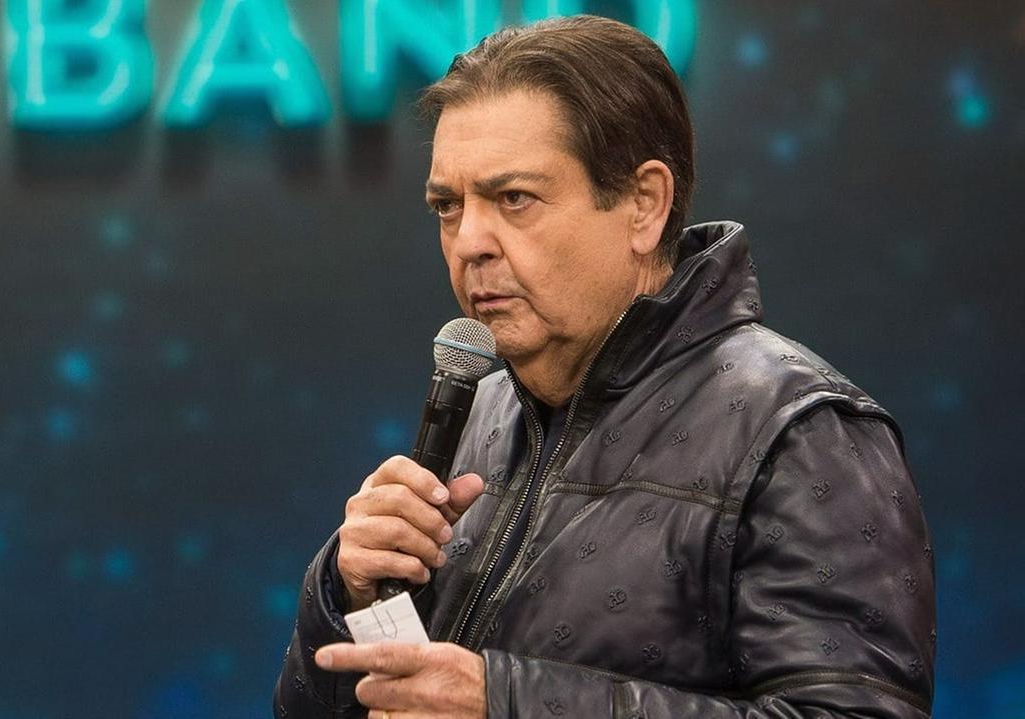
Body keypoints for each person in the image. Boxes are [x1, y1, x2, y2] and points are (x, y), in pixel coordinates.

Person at [274, 14, 935, 718]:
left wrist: (505, 703)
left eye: (513, 198)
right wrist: (348, 595)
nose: (469, 242)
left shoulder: (799, 431)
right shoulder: (481, 412)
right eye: (447, 206)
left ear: (644, 205)